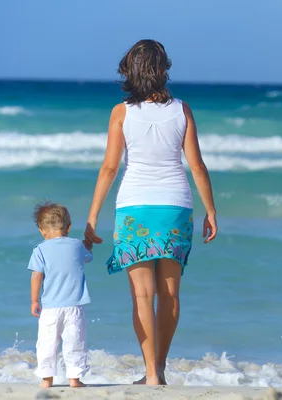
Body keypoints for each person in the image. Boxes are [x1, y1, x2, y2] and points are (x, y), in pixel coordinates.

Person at [84, 39, 217, 386]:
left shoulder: (121, 112)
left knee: (142, 295)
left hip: (134, 208)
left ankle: (152, 375)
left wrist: (92, 216)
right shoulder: (182, 110)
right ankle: (160, 365)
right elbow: (197, 167)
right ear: (162, 70)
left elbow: (110, 168)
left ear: (130, 71)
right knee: (170, 294)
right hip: (175, 207)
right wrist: (211, 211)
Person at [28, 201, 93, 388]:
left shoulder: (40, 249)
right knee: (75, 343)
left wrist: (34, 300)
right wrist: (88, 243)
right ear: (69, 227)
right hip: (74, 306)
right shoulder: (77, 246)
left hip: (50, 308)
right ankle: (75, 379)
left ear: (42, 230)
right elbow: (88, 257)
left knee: (47, 344)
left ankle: (47, 380)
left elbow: (36, 275)